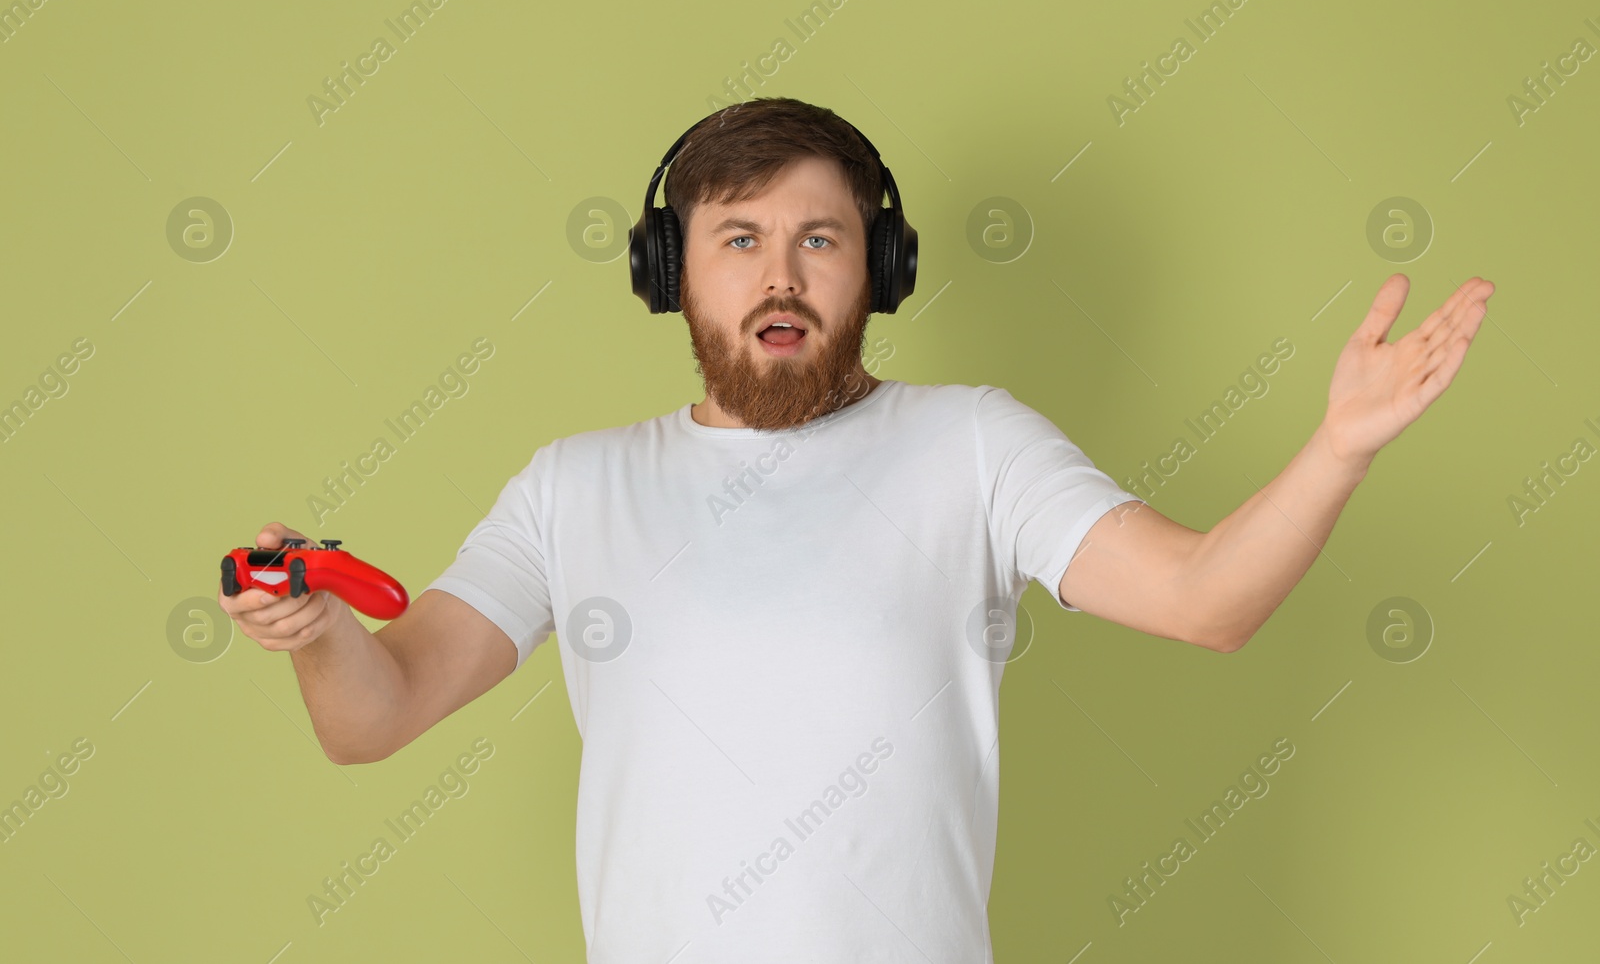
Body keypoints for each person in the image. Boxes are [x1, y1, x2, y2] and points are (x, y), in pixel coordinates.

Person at [218, 97, 1494, 961]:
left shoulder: (974, 446)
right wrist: (315, 630)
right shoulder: (572, 487)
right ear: (671, 274)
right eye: (738, 239)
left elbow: (1208, 599)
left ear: (877, 266)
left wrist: (1337, 448)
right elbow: (374, 716)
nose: (780, 274)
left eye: (818, 238)